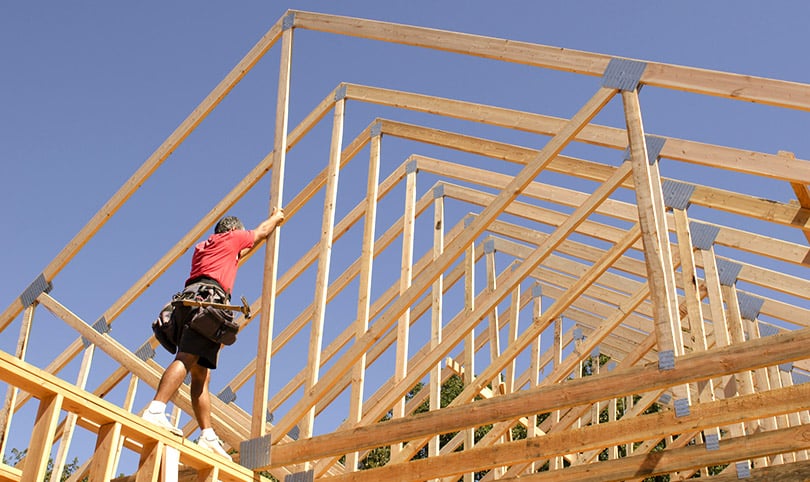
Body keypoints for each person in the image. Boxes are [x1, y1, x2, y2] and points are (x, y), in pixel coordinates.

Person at [142, 208, 284, 460]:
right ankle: (155, 409)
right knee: (185, 359)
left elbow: (239, 254)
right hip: (207, 304)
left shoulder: (205, 247)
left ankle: (207, 436)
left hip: (187, 304)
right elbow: (260, 233)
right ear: (234, 231)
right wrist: (276, 218)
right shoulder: (233, 238)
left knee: (201, 375)